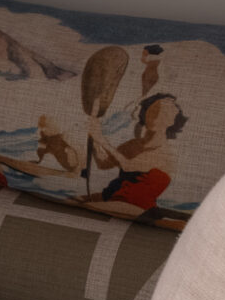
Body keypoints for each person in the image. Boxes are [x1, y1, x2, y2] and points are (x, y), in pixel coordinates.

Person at [80, 92, 189, 223]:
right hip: (113, 197)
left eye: (164, 113)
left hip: (136, 205)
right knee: (72, 200)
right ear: (145, 111)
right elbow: (104, 164)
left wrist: (101, 139)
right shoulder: (133, 144)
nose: (156, 116)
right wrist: (94, 139)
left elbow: (128, 166)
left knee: (83, 207)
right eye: (153, 110)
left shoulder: (164, 152)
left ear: (172, 120)